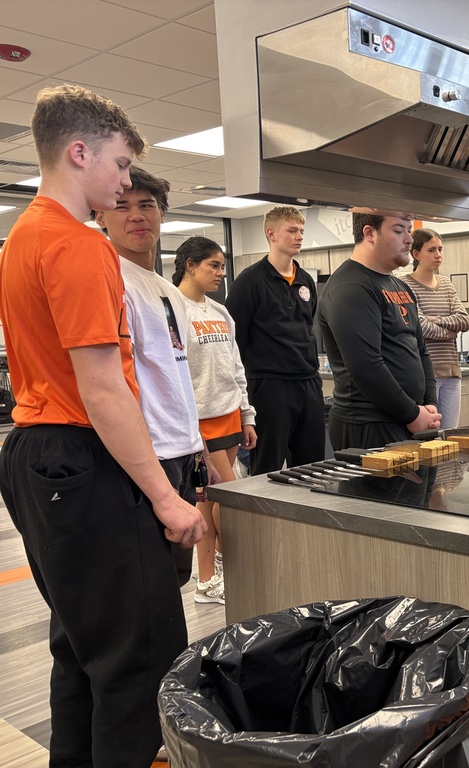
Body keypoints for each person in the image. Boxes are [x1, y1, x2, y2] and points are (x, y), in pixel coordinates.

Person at [0, 84, 205, 768]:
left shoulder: (20, 237)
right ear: (78, 152)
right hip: (80, 456)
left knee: (82, 651)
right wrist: (165, 496)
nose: (125, 184)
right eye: (119, 166)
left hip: (35, 454)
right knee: (139, 663)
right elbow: (104, 390)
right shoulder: (76, 245)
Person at [93, 165, 210, 593]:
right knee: (142, 586)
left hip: (179, 451)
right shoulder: (110, 281)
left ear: (162, 214)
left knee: (172, 579)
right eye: (122, 206)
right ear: (102, 216)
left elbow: (174, 374)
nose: (136, 216)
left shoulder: (167, 290)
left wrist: (195, 448)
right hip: (144, 457)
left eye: (147, 205)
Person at [174, 236, 258, 604]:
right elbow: (174, 374)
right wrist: (188, 427)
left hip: (229, 417)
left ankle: (208, 579)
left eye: (223, 267)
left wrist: (246, 415)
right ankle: (224, 572)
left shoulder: (220, 312)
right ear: (190, 265)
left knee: (209, 503)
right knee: (229, 497)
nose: (221, 274)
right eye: (214, 265)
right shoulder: (174, 309)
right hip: (199, 422)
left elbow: (235, 368)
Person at [318, 211, 441, 449]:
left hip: (410, 418)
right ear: (369, 233)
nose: (409, 239)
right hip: (370, 424)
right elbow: (365, 367)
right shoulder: (350, 287)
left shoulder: (400, 286)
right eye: (398, 230)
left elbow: (421, 351)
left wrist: (429, 403)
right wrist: (413, 415)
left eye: (409, 230)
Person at [225, 205, 323, 474]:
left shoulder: (305, 281)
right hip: (270, 386)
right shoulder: (249, 282)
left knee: (313, 466)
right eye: (292, 230)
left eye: (302, 231)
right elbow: (234, 343)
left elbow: (307, 327)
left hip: (308, 382)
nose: (299, 236)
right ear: (272, 234)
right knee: (267, 466)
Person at [401, 228, 469, 429]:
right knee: (428, 434)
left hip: (451, 371)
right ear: (416, 254)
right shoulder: (405, 285)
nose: (438, 255)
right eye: (431, 250)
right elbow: (421, 327)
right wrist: (450, 332)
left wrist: (436, 318)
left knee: (450, 433)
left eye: (440, 249)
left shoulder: (447, 284)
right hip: (424, 374)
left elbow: (464, 320)